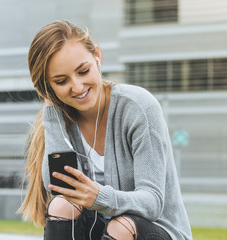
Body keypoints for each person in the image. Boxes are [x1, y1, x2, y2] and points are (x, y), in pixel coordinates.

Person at [18, 20, 192, 240]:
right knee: (62, 205)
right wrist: (51, 113)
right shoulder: (60, 117)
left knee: (121, 226)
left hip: (153, 231)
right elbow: (61, 191)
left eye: (83, 71)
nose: (78, 87)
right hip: (99, 233)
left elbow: (152, 203)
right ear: (47, 87)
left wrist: (99, 197)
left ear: (97, 56)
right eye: (61, 81)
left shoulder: (138, 107)